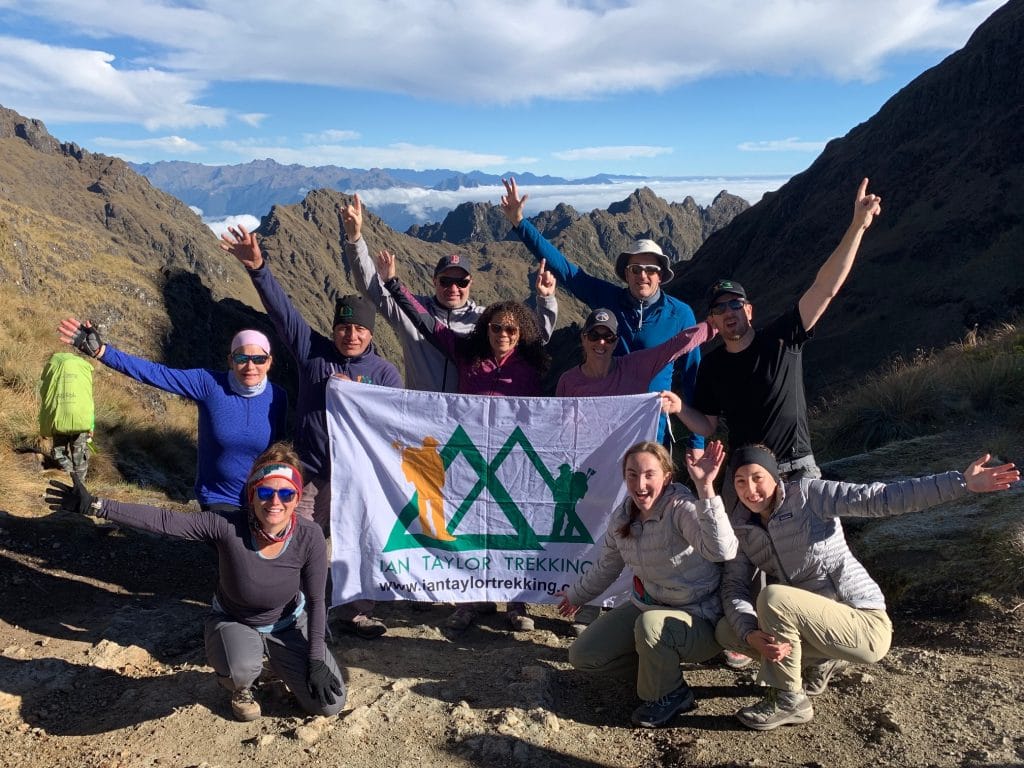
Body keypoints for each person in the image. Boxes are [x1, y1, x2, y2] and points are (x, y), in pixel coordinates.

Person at [716, 444, 1019, 731]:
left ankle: (789, 699)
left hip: (863, 622)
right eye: (740, 481)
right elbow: (734, 587)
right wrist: (751, 634)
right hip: (816, 625)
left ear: (775, 476)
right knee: (728, 632)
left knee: (774, 597)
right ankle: (822, 660)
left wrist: (961, 483)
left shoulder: (810, 495)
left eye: (758, 478)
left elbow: (880, 497)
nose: (750, 490)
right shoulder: (743, 528)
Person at [44, 443, 347, 723]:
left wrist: (316, 659)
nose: (275, 502)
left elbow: (318, 601)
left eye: (287, 494)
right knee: (241, 669)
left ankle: (277, 662)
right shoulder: (225, 524)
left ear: (297, 497)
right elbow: (164, 521)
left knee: (329, 704)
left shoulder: (309, 536)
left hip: (288, 625)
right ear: (252, 494)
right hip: (236, 621)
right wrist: (96, 505)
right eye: (266, 493)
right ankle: (241, 683)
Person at [220, 225, 402, 639]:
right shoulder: (313, 354)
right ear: (335, 328)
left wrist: (367, 401)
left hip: (359, 477)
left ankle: (357, 611)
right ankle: (288, 606)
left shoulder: (385, 374)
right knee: (293, 536)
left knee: (361, 541)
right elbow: (283, 314)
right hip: (312, 471)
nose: (350, 335)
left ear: (371, 333)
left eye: (359, 329)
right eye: (344, 327)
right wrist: (258, 268)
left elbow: (397, 425)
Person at [377, 248, 554, 632]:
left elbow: (546, 333)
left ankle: (517, 601)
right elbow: (426, 323)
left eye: (511, 329)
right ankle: (474, 598)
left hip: (513, 459)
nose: (503, 335)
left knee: (513, 527)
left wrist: (545, 298)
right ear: (485, 328)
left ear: (520, 332)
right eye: (496, 327)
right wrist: (393, 283)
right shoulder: (466, 353)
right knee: (471, 524)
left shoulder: (530, 366)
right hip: (469, 455)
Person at [679, 178, 883, 483]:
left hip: (796, 469)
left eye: (735, 304)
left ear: (749, 310)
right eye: (719, 309)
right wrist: (678, 405)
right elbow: (707, 425)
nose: (728, 312)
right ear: (713, 322)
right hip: (745, 474)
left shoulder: (782, 338)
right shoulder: (712, 366)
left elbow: (824, 287)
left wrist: (857, 226)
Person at [501, 177, 702, 451]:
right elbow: (568, 271)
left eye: (650, 270)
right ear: (626, 273)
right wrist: (519, 223)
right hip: (604, 430)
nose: (642, 275)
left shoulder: (681, 315)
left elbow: (692, 378)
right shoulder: (610, 299)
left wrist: (697, 441)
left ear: (661, 275)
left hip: (652, 434)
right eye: (635, 269)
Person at [555, 308, 716, 634]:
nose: (601, 342)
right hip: (588, 469)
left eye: (608, 337)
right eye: (595, 335)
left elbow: (676, 345)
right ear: (583, 338)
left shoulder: (634, 367)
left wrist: (714, 325)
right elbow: (558, 425)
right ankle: (588, 600)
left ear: (616, 342)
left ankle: (621, 601)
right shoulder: (568, 381)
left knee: (627, 531)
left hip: (629, 470)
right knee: (592, 531)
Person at [556, 440, 737, 728]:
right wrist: (577, 594)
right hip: (649, 607)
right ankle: (659, 670)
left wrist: (705, 489)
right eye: (632, 474)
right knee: (583, 655)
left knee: (650, 625)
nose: (640, 484)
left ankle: (668, 694)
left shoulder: (682, 508)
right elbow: (607, 567)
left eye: (649, 474)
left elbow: (721, 551)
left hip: (699, 618)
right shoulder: (622, 517)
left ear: (666, 476)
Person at [58, 319, 287, 512]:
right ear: (230, 360)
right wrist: (103, 352)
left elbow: (280, 450)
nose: (250, 366)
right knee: (233, 556)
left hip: (263, 497)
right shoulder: (208, 384)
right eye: (241, 358)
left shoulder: (278, 397)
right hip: (219, 499)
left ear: (269, 362)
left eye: (259, 359)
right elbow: (156, 374)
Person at [340, 193, 557, 392]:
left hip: (460, 422)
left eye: (461, 282)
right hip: (421, 416)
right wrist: (355, 240)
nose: (453, 288)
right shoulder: (410, 310)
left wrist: (546, 299)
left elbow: (533, 338)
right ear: (434, 281)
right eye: (445, 281)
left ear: (470, 283)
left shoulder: (486, 322)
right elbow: (371, 287)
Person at [38, 351, 94, 481]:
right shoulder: (82, 375)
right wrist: (91, 425)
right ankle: (80, 485)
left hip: (59, 420)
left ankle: (71, 478)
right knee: (79, 455)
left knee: (59, 452)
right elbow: (88, 401)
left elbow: (46, 397)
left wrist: (46, 423)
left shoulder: (54, 370)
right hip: (81, 421)